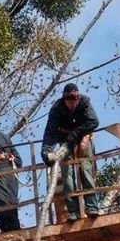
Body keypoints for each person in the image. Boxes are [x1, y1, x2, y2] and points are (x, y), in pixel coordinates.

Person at [41, 83, 100, 221]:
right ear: (65, 100)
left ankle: (92, 206)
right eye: (70, 100)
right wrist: (46, 152)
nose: (73, 103)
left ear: (78, 98)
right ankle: (72, 211)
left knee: (86, 169)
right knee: (67, 174)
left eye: (75, 100)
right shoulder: (57, 109)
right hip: (65, 142)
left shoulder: (84, 102)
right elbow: (50, 132)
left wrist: (76, 135)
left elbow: (94, 122)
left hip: (83, 137)